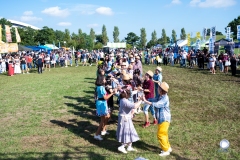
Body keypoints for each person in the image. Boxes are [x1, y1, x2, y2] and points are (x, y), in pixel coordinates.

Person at [142, 82, 172, 157]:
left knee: (160, 134)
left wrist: (146, 101)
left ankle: (165, 150)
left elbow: (157, 104)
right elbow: (154, 99)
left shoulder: (165, 98)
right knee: (164, 133)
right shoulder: (160, 96)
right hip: (161, 118)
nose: (157, 88)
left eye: (159, 88)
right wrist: (146, 99)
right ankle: (168, 147)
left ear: (162, 90)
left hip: (164, 119)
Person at [116, 87, 142, 153]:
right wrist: (141, 100)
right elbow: (134, 106)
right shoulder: (125, 101)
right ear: (127, 95)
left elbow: (132, 105)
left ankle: (129, 146)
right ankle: (122, 147)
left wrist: (138, 101)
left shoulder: (122, 100)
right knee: (125, 132)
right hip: (125, 119)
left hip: (125, 118)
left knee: (130, 131)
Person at [94, 75, 116, 141]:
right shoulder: (101, 88)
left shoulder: (98, 87)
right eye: (104, 79)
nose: (105, 80)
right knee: (102, 120)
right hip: (102, 103)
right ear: (101, 80)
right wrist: (112, 93)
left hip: (100, 103)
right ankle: (97, 134)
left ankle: (103, 130)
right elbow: (105, 97)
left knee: (106, 117)